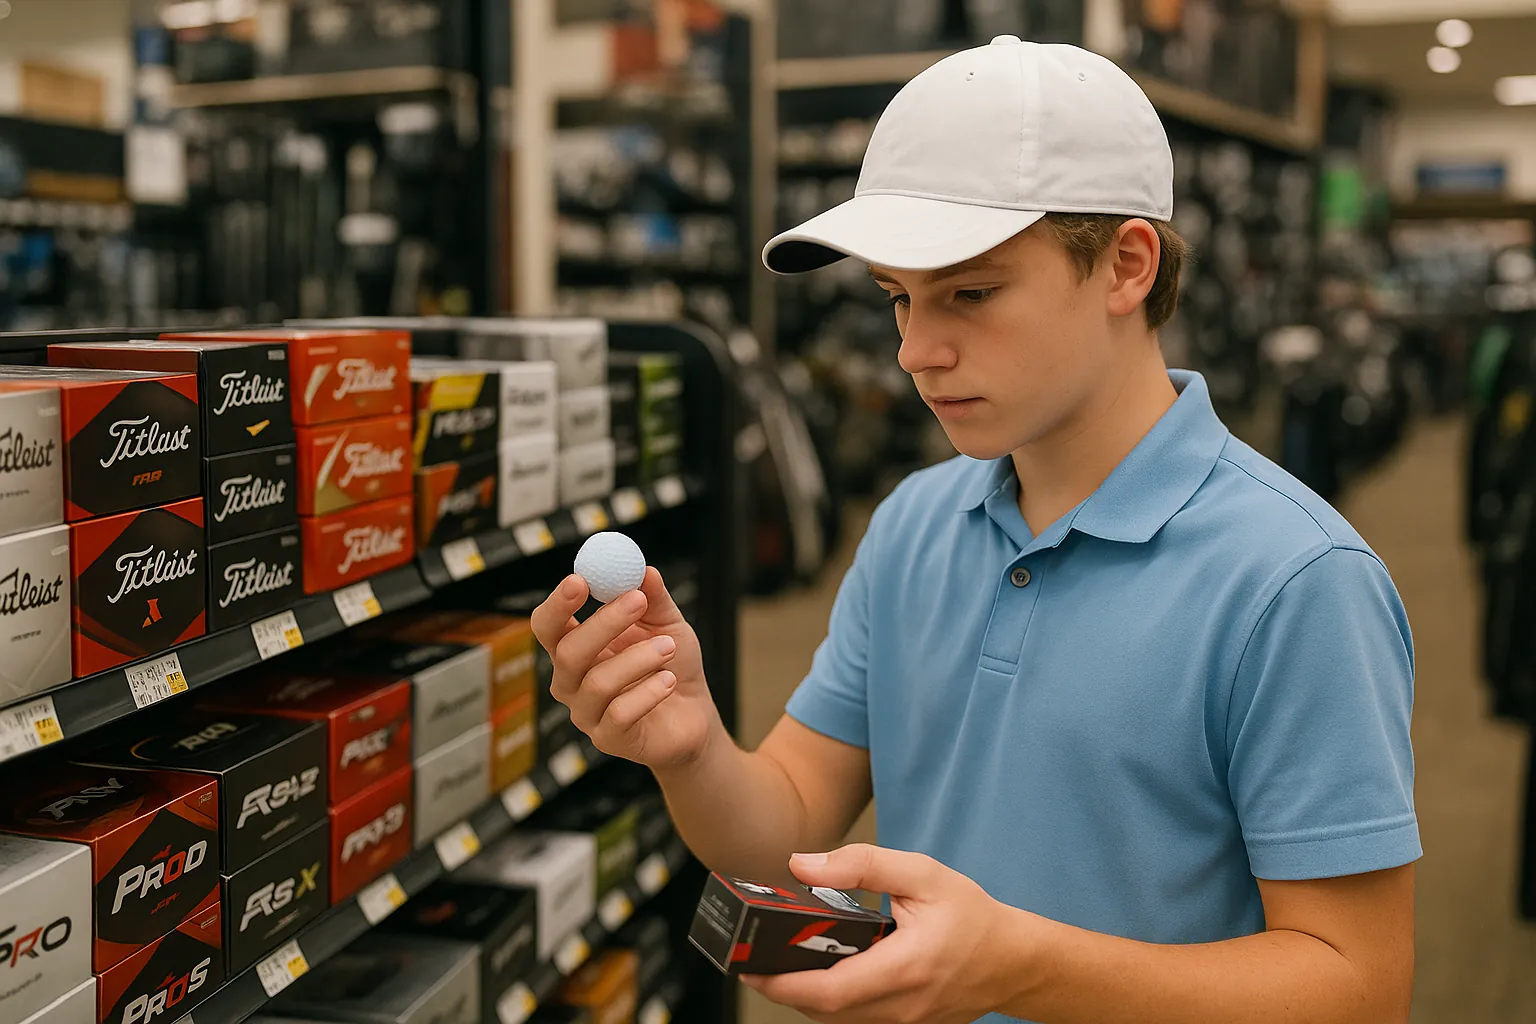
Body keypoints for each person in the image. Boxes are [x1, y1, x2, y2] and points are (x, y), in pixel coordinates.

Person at [531, 37, 1418, 1024]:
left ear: (1128, 263)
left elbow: (1359, 985)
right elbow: (783, 832)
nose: (915, 349)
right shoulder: (913, 523)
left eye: (970, 292)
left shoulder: (1297, 579)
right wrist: (689, 747)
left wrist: (1018, 967)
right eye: (899, 297)